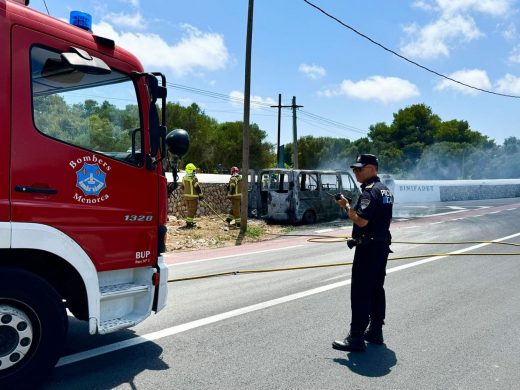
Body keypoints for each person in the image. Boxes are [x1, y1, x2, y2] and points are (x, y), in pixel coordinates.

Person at [332, 154, 393, 352]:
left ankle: (356, 337)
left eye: (360, 168)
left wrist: (347, 206)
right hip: (381, 246)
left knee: (360, 292)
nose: (356, 172)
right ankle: (375, 331)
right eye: (355, 169)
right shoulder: (385, 190)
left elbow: (361, 221)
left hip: (368, 249)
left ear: (372, 168)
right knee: (376, 289)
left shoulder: (369, 191)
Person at [182, 163, 203, 228]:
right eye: (194, 170)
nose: (194, 171)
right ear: (192, 170)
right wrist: (201, 195)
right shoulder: (194, 178)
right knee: (193, 210)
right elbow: (197, 187)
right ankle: (189, 223)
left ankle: (189, 221)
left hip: (186, 197)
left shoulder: (184, 178)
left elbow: (182, 187)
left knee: (189, 209)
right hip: (193, 197)